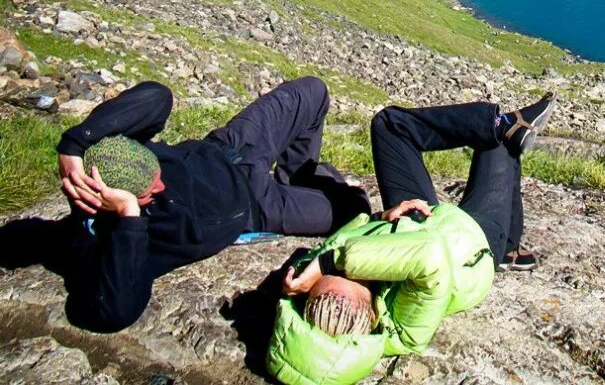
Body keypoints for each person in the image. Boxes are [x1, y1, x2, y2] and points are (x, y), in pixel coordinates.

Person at [266, 92, 557, 385]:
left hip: (412, 218)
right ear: (371, 314)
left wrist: (382, 218)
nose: (353, 272)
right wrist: (329, 262)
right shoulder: (404, 325)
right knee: (497, 149)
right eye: (357, 278)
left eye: (335, 276)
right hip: (471, 240)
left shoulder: (316, 296)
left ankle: (498, 123)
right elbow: (429, 256)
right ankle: (507, 247)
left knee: (390, 125)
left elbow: (352, 231)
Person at [57, 76, 370, 332]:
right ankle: (306, 192)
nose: (162, 185)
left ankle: (299, 179)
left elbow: (157, 96)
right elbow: (113, 313)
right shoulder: (123, 241)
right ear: (109, 203)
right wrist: (129, 216)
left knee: (314, 91)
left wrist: (77, 141)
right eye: (150, 193)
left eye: (157, 173)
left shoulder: (124, 158)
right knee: (356, 209)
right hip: (258, 207)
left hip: (230, 148)